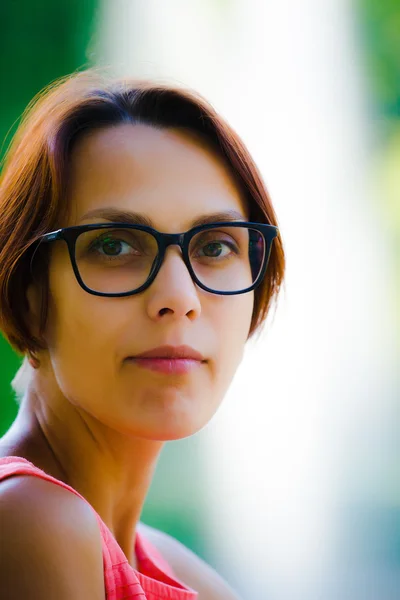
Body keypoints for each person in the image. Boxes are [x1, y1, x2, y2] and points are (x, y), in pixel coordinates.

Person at [0, 70, 285, 599]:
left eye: (216, 246)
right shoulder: (28, 519)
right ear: (29, 293)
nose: (180, 297)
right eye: (115, 246)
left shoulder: (163, 563)